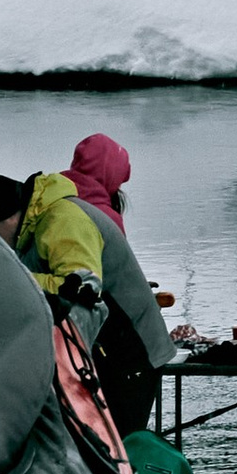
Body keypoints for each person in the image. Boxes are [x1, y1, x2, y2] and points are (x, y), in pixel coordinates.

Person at [62, 133, 175, 436]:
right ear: (110, 175)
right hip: (125, 348)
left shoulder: (62, 199)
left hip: (99, 347)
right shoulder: (101, 210)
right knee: (124, 438)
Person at [0, 167, 105, 332]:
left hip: (124, 341)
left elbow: (85, 289)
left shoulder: (63, 220)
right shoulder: (29, 229)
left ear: (8, 218)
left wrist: (11, 280)